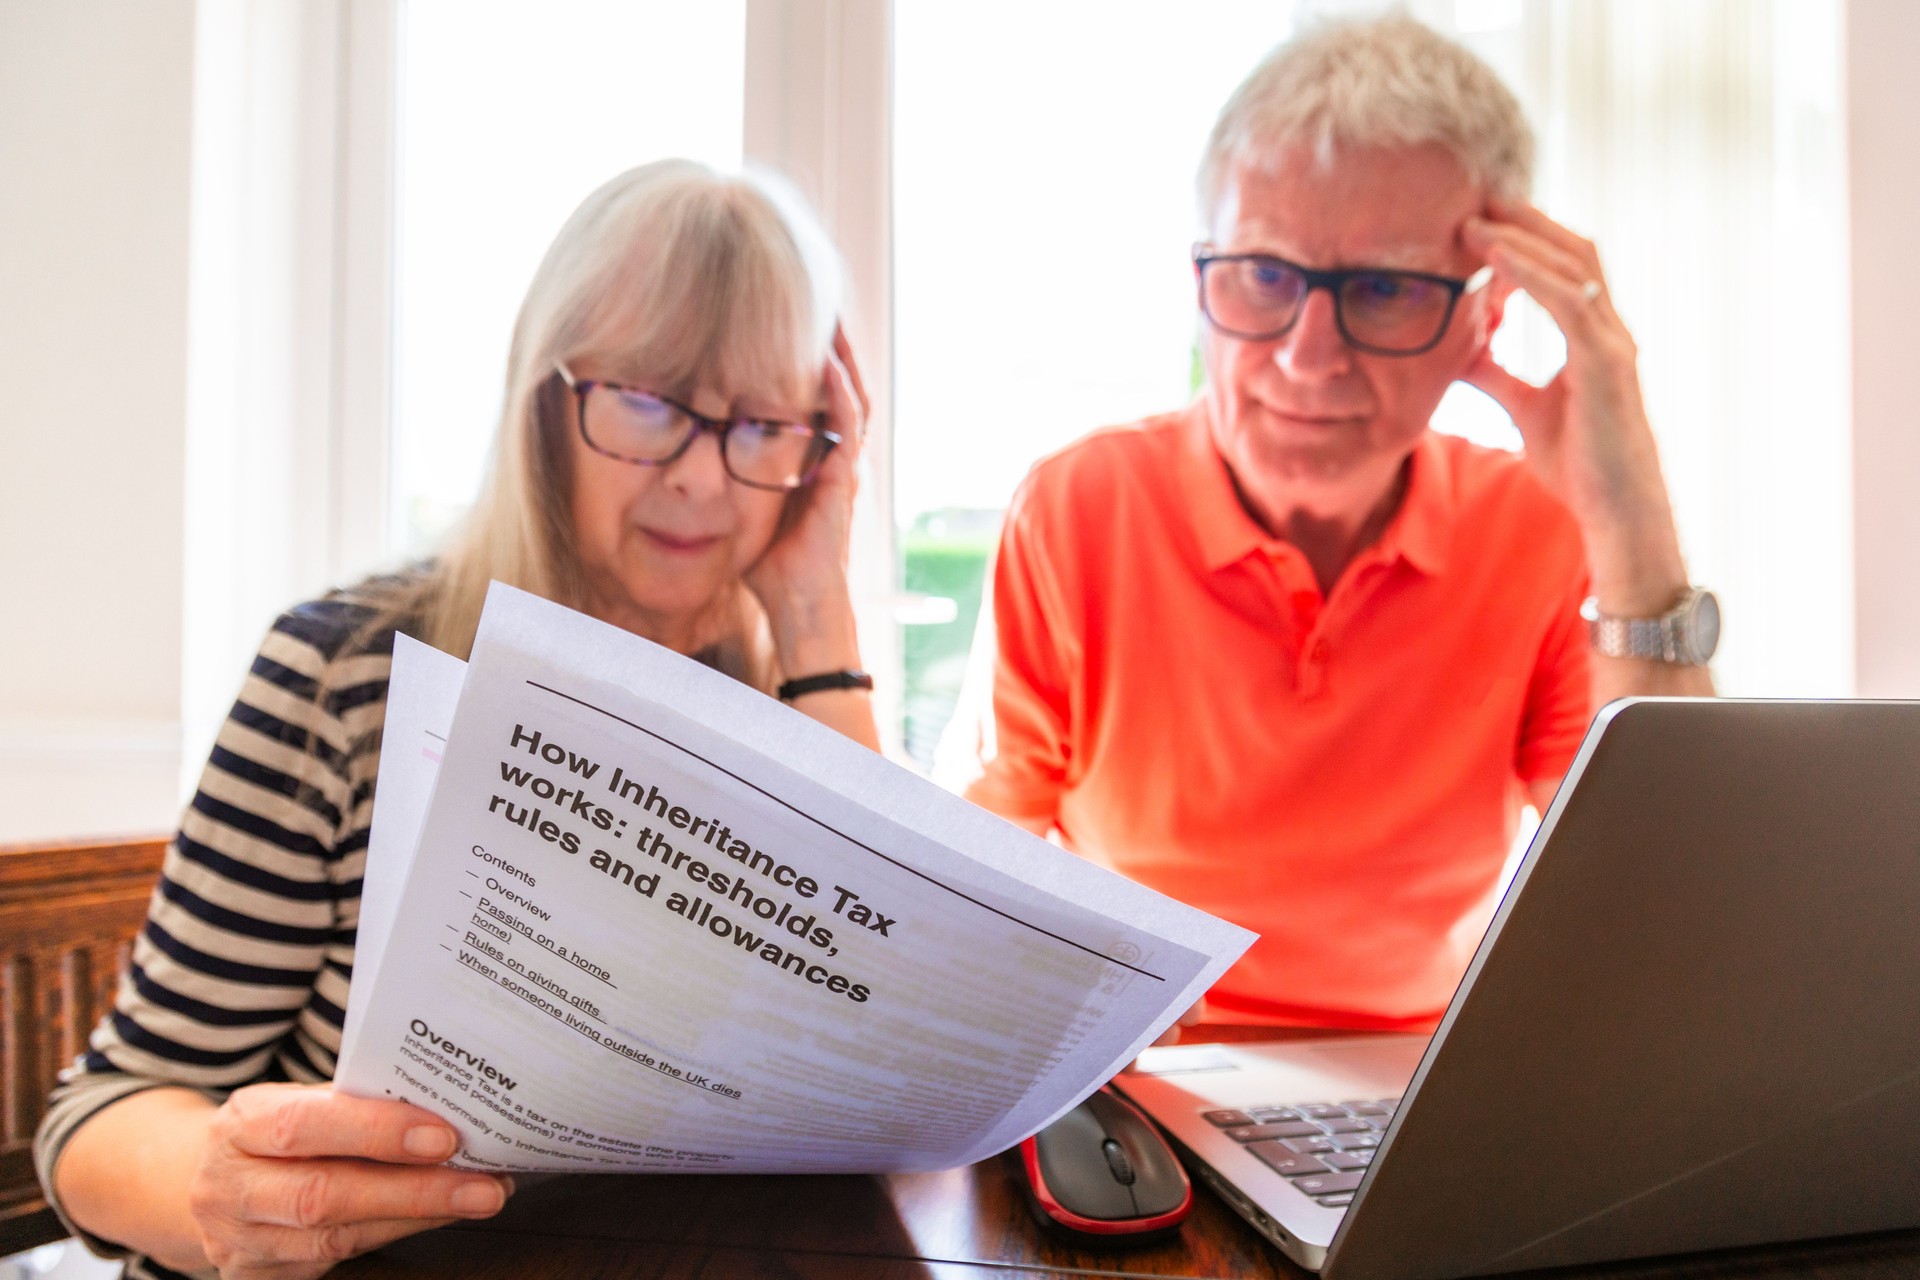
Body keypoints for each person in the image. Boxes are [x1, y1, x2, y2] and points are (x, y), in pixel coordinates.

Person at [35, 159, 878, 1280]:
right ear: (545, 401)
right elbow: (100, 1116)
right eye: (648, 401)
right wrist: (226, 1187)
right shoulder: (346, 667)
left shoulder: (801, 698)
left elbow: (869, 1077)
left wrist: (818, 615)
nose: (703, 482)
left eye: (763, 423)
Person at [965, 15, 1716, 1034]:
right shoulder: (1077, 508)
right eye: (1266, 275)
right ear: (1201, 278)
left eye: (1385, 287)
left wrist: (1629, 519)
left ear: (1484, 318)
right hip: (1137, 1083)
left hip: (1410, 1092)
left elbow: (1672, 906)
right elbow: (962, 885)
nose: (1307, 358)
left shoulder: (1536, 530)